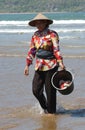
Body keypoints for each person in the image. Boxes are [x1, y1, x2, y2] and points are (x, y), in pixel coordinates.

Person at [24, 13, 65, 114]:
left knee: (50, 92)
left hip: (51, 65)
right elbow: (32, 50)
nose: (38, 25)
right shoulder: (35, 35)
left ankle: (52, 114)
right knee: (36, 90)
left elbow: (56, 49)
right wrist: (27, 65)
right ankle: (45, 107)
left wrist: (60, 62)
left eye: (40, 22)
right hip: (39, 65)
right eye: (37, 23)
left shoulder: (52, 34)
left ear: (45, 23)